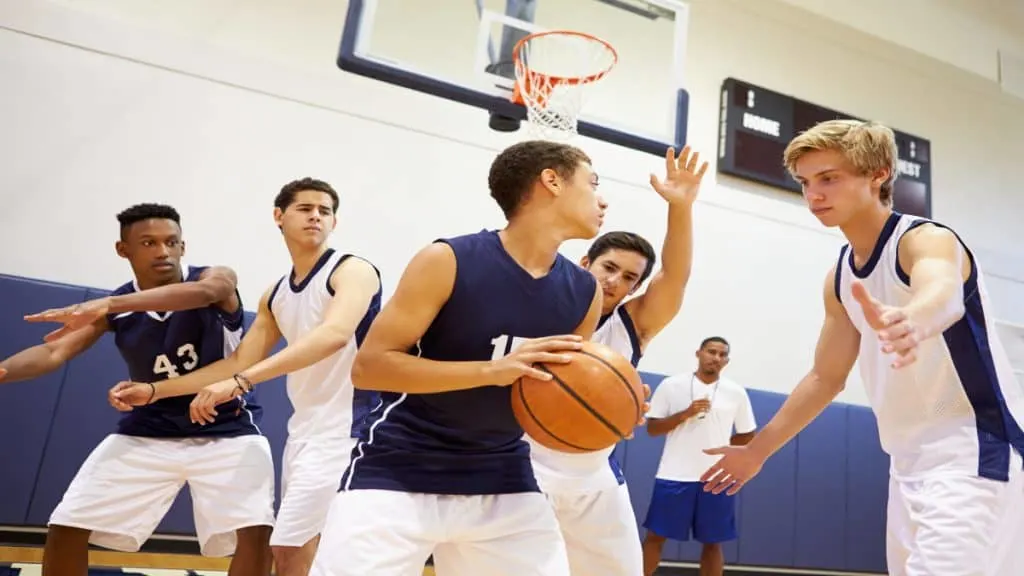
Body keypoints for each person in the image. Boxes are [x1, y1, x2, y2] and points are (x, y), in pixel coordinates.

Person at [308, 139, 647, 576]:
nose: (602, 199)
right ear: (551, 181)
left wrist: (612, 402)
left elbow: (564, 389)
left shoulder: (584, 292)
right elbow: (370, 367)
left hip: (503, 474)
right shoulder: (448, 259)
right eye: (592, 182)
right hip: (400, 466)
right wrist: (491, 371)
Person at [700, 119, 1024, 576]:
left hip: (973, 452)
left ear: (879, 174)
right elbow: (825, 378)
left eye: (829, 178)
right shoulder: (840, 278)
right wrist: (757, 451)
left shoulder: (924, 239)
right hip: (907, 465)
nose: (814, 195)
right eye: (805, 182)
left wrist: (912, 319)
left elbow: (944, 291)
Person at [112, 179, 383, 576]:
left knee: (291, 548)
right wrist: (154, 390)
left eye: (324, 211)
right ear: (279, 216)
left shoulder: (352, 270)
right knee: (311, 551)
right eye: (305, 208)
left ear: (334, 222)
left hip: (354, 428)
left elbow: (333, 335)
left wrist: (241, 384)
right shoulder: (275, 293)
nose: (315, 217)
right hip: (307, 432)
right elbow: (238, 360)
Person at [0, 203, 274, 576]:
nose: (163, 251)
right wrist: (3, 370)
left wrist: (110, 304)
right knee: (67, 524)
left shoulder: (213, 278)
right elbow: (53, 351)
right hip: (149, 431)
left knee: (254, 531)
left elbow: (210, 290)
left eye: (171, 242)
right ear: (123, 249)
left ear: (183, 245)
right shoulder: (115, 308)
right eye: (148, 243)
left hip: (227, 429)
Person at [527, 145, 708, 576]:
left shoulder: (633, 324)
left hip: (594, 476)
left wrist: (680, 208)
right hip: (526, 469)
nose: (615, 281)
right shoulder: (537, 304)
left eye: (630, 278)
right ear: (584, 261)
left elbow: (675, 275)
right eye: (609, 267)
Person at [641, 336, 756, 576]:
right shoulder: (671, 385)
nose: (716, 358)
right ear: (698, 353)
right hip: (674, 474)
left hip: (715, 478)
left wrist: (724, 452)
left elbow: (747, 434)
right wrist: (685, 414)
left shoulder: (735, 392)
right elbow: (652, 429)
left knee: (713, 543)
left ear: (727, 361)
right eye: (711, 351)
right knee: (655, 538)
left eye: (722, 354)